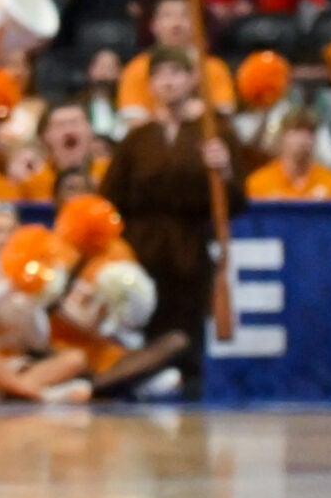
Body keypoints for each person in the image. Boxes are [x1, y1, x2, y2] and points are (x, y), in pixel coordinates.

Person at [102, 46, 246, 388]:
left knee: (188, 333)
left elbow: (237, 202)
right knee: (143, 335)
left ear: (192, 79)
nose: (168, 82)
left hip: (190, 248)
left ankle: (192, 392)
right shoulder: (136, 140)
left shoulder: (215, 133)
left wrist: (224, 170)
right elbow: (110, 200)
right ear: (149, 84)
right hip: (141, 250)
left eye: (176, 73)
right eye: (159, 75)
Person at [118, 0, 234, 119]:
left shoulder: (213, 68)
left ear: (197, 24)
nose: (176, 23)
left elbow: (224, 115)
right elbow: (133, 120)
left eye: (185, 15)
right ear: (153, 25)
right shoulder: (137, 69)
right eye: (168, 15)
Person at [246, 113, 331, 199]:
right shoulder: (259, 184)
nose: (303, 139)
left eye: (309, 133)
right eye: (296, 132)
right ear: (282, 138)